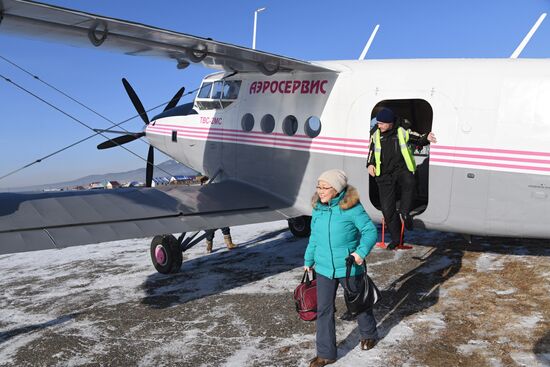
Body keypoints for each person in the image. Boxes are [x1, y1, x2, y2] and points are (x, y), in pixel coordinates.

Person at [304, 169, 378, 367]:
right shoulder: (318, 208)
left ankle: (369, 333)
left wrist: (360, 253)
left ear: (336, 189)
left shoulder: (351, 207)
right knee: (324, 310)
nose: (320, 191)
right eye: (318, 186)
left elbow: (370, 231)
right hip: (324, 268)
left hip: (348, 267)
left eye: (325, 187)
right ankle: (326, 354)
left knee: (358, 304)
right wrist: (308, 259)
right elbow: (314, 237)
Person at [366, 107, 437, 249]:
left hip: (401, 169)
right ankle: (397, 239)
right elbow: (372, 151)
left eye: (381, 123)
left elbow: (416, 137)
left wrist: (426, 138)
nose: (378, 125)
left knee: (410, 182)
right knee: (387, 210)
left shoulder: (402, 130)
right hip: (384, 173)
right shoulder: (376, 133)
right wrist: (369, 164)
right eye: (378, 123)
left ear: (390, 123)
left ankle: (405, 212)